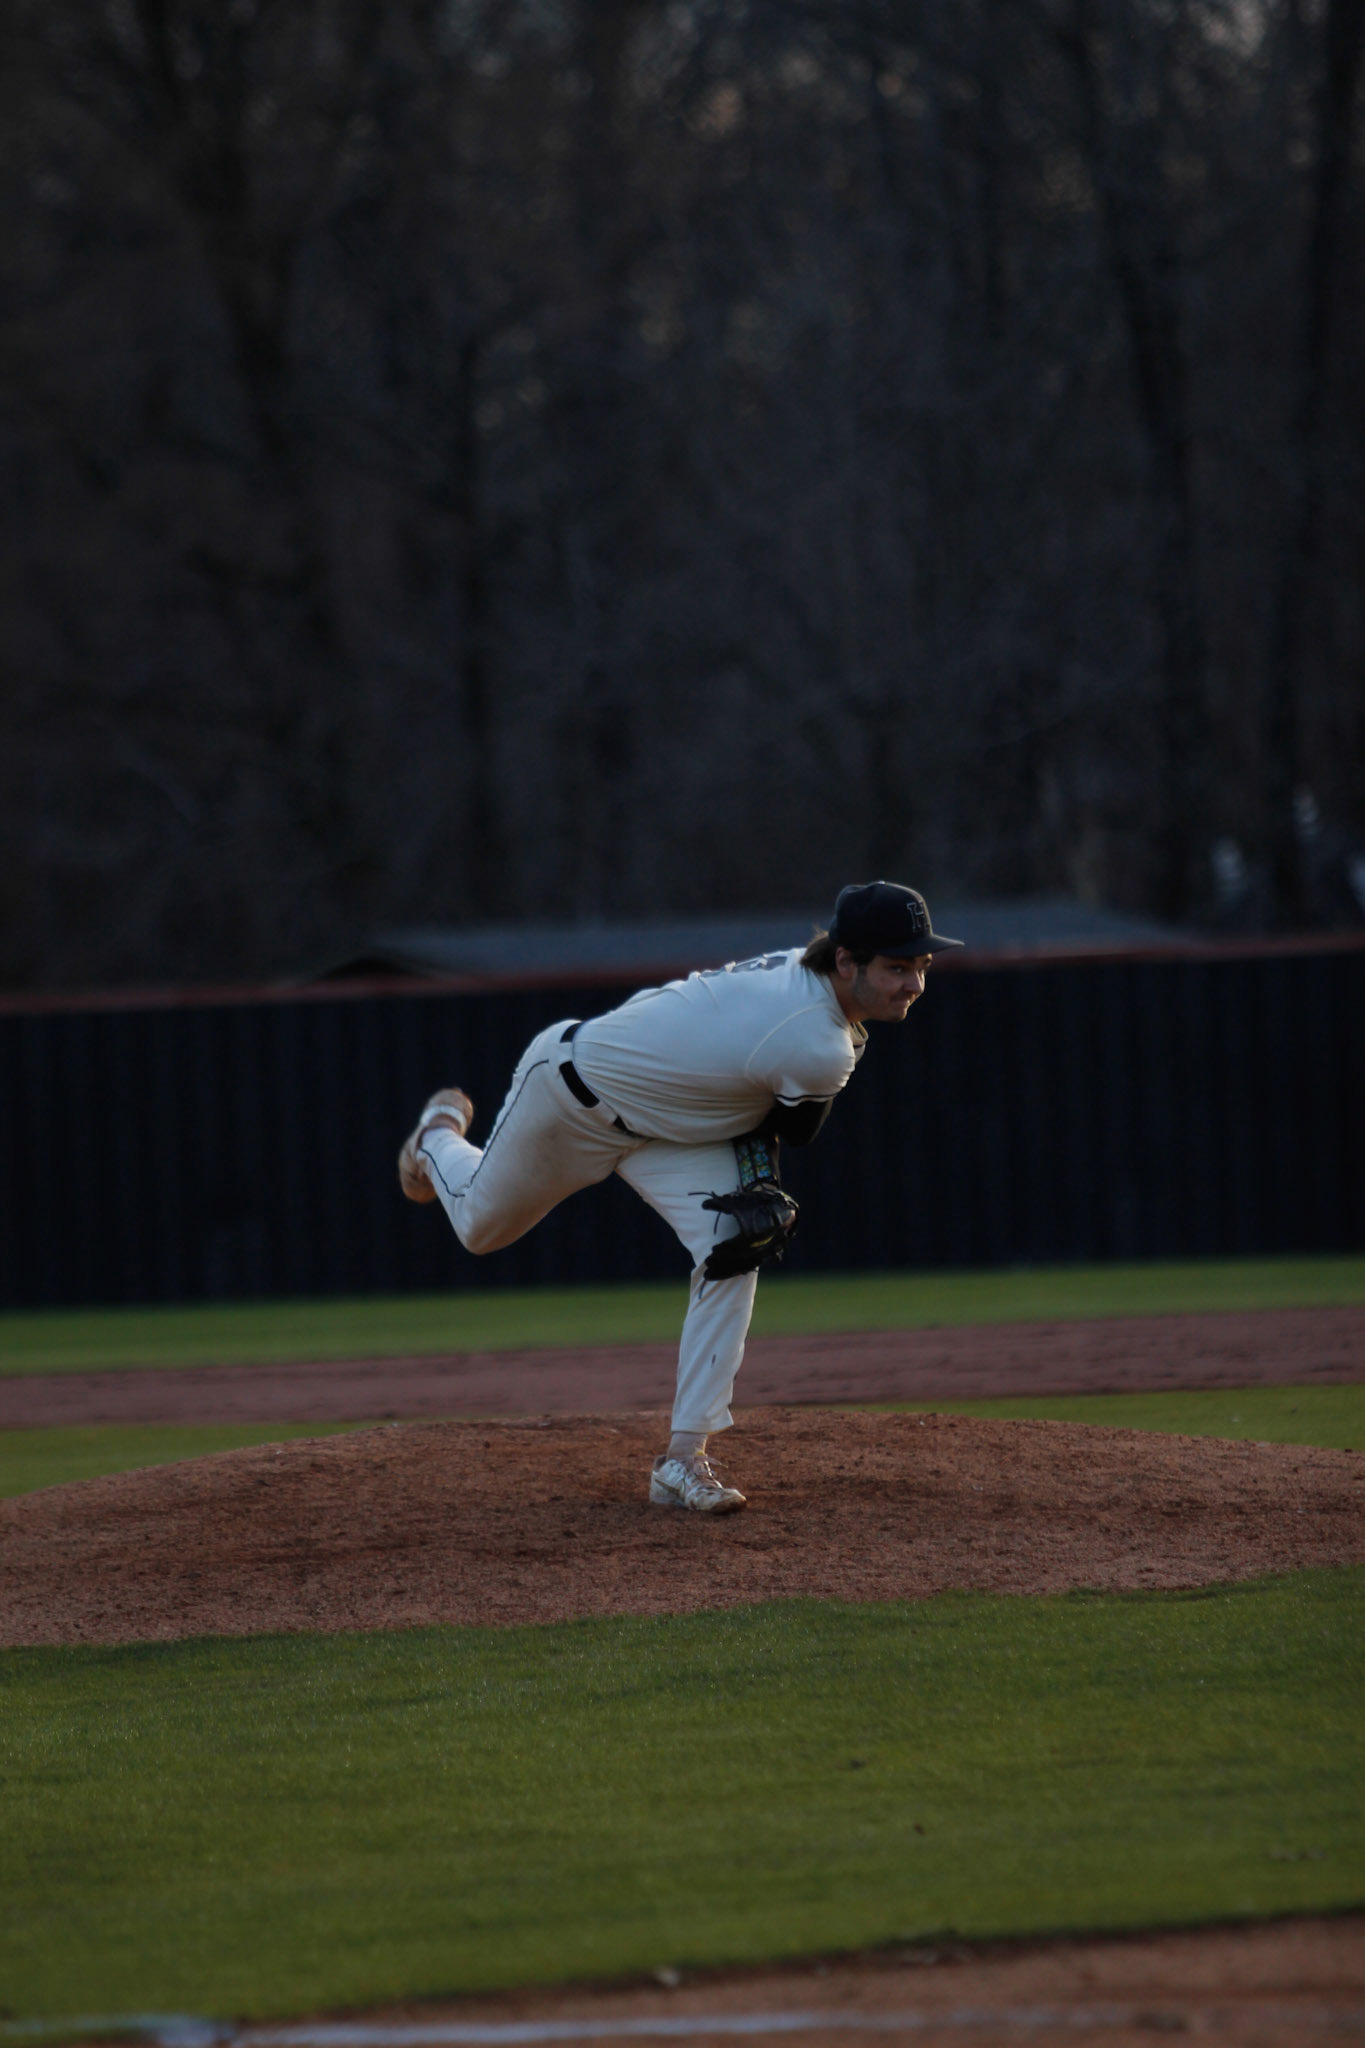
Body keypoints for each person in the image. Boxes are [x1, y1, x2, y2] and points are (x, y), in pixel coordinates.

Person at [397, 881, 963, 1513]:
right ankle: (435, 1136)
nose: (914, 983)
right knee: (479, 1228)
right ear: (846, 961)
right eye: (897, 967)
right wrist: (759, 1174)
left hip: (670, 1127)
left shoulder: (809, 985)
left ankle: (683, 1458)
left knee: (735, 1244)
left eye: (921, 965)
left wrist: (754, 1181)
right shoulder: (816, 1040)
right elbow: (792, 1130)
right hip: (571, 1100)